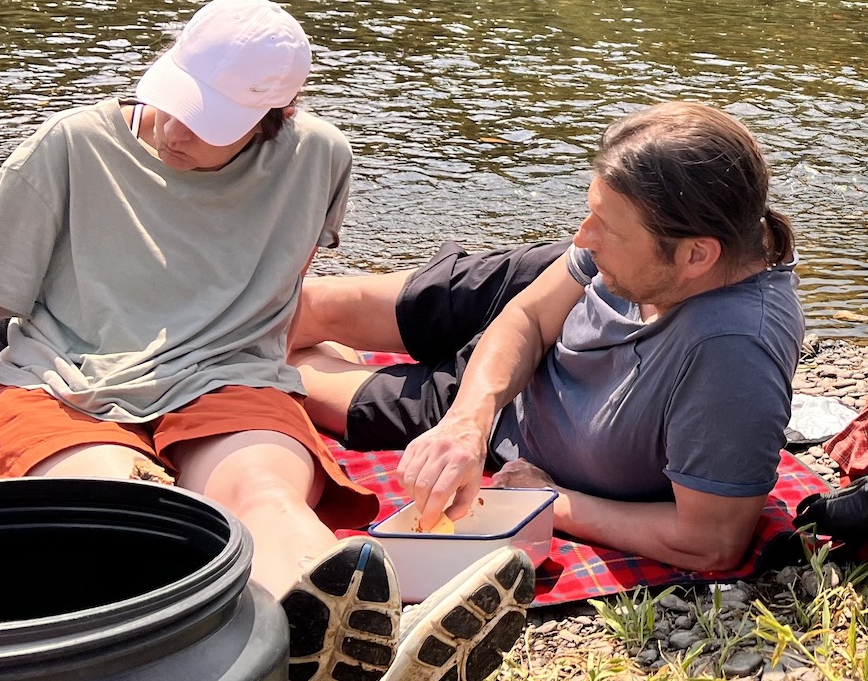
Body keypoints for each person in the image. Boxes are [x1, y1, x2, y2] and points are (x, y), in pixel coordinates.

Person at [0, 0, 534, 681]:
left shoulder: (317, 159)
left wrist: (300, 367)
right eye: (173, 97)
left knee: (265, 494)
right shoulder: (69, 147)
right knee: (122, 507)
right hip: (58, 387)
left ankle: (365, 646)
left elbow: (276, 294)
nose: (171, 129)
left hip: (227, 380)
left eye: (205, 119)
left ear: (273, 118)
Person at [292, 101, 805, 572]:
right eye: (592, 214)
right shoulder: (637, 253)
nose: (581, 236)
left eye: (607, 226)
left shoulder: (731, 355)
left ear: (697, 255)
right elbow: (531, 317)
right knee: (293, 308)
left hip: (512, 432)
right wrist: (467, 420)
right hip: (522, 320)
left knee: (279, 369)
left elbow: (710, 542)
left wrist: (549, 498)